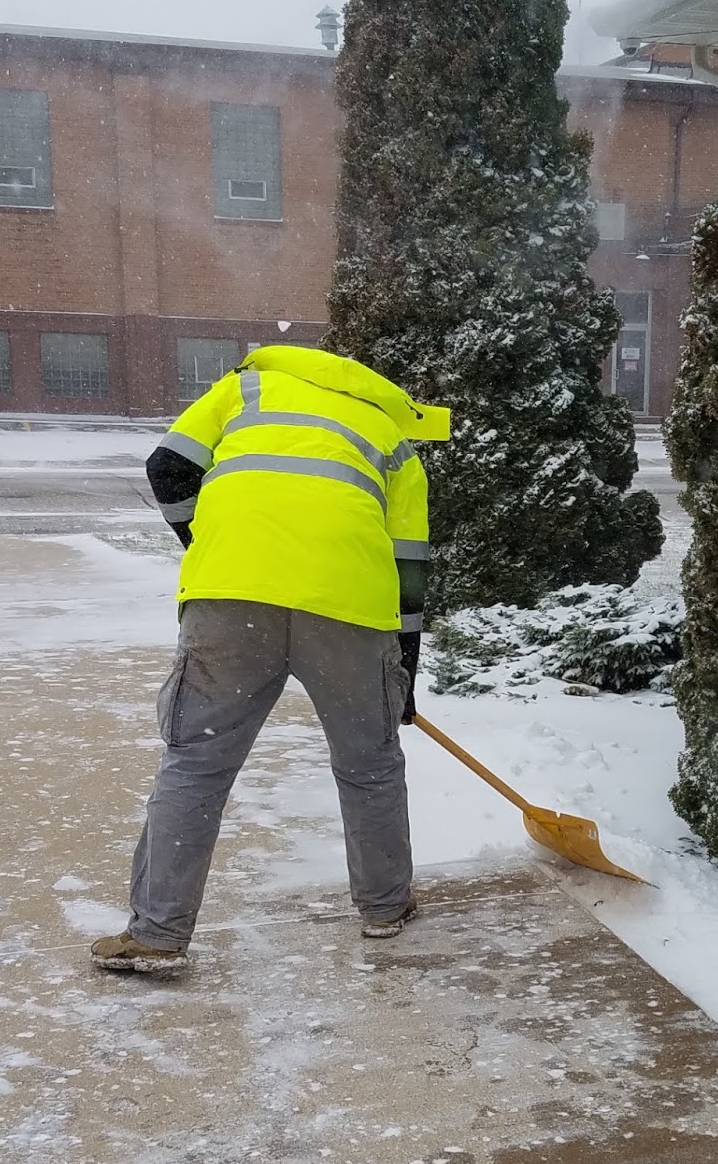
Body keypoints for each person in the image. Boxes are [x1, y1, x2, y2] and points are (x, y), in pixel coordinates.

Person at [91, 345, 450, 976]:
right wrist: (404, 673)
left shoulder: (245, 391)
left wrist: (210, 543)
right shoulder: (390, 436)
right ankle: (385, 908)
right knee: (369, 766)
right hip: (349, 609)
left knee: (196, 765)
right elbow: (408, 565)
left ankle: (157, 934)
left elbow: (168, 467)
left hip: (231, 603)